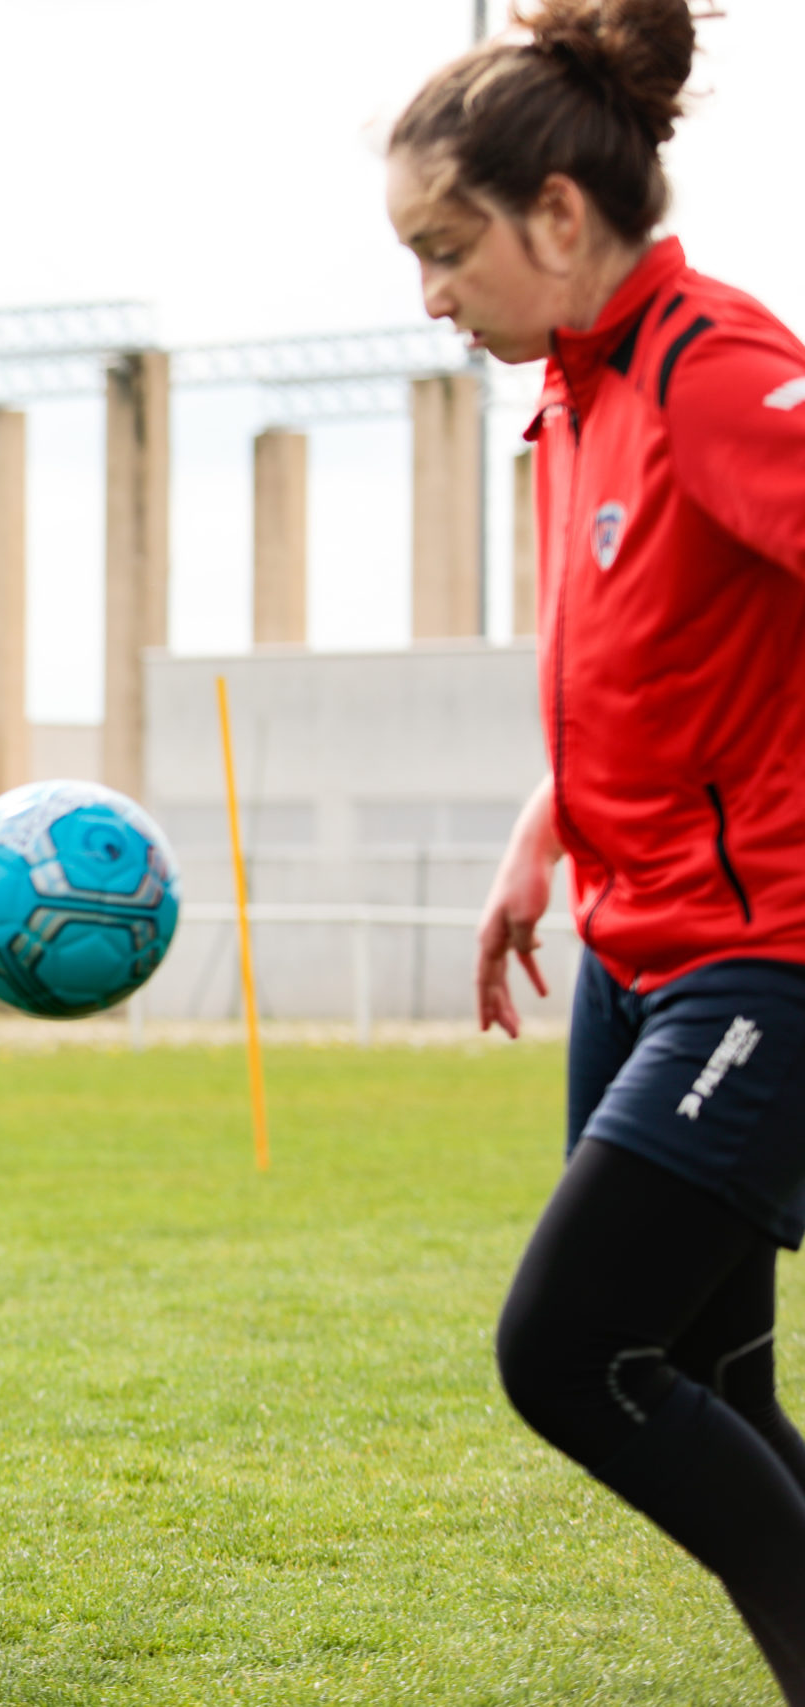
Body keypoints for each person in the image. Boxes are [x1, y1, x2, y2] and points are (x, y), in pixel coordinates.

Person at [392, 0, 805, 1692]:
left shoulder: (711, 365)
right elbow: (647, 657)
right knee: (715, 1376)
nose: (429, 294)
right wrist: (538, 836)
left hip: (766, 952)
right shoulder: (574, 397)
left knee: (570, 1355)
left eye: (446, 248)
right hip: (636, 955)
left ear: (558, 215)